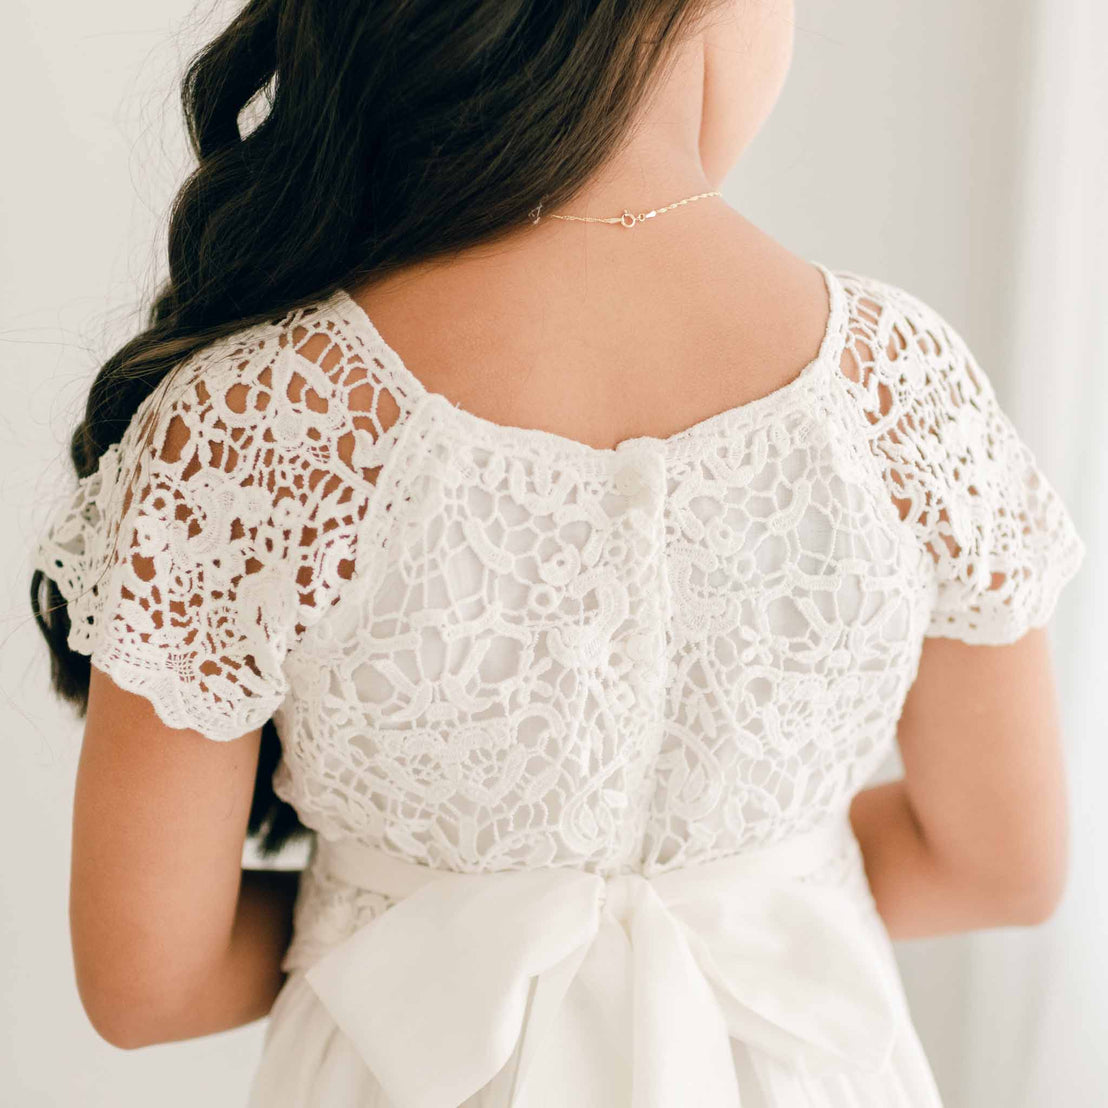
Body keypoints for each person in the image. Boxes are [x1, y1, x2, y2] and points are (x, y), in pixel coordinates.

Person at [30, 0, 1087, 1104]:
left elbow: (149, 979)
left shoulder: (251, 419)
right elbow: (998, 863)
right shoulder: (903, 385)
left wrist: (407, 915)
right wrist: (765, 884)